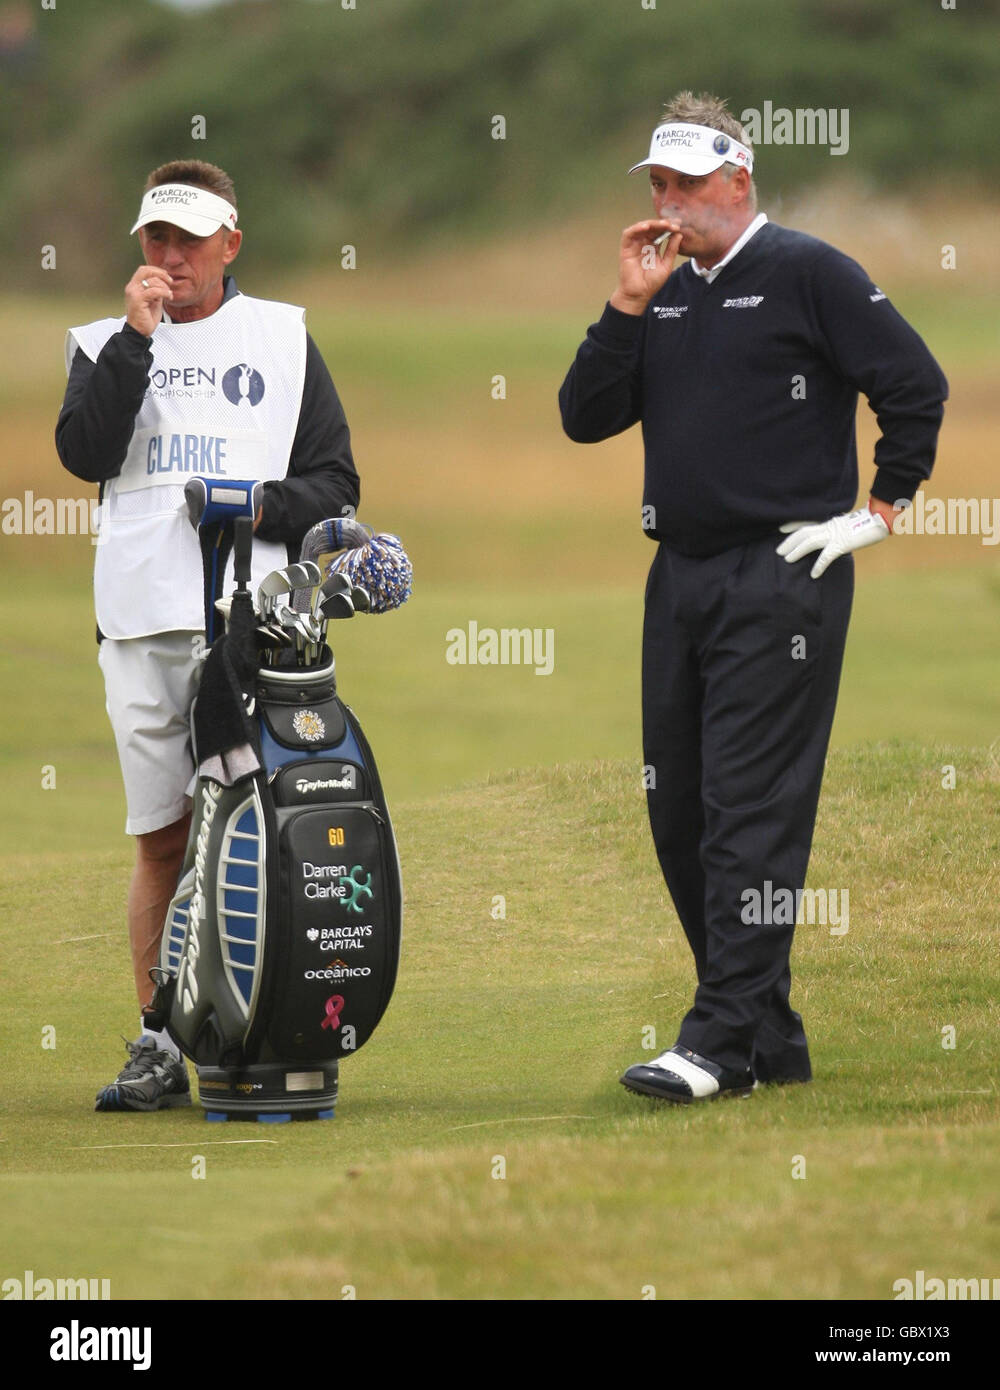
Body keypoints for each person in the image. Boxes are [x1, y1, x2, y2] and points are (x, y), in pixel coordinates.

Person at [559, 92, 947, 1104]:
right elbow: (582, 416)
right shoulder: (664, 289)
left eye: (689, 185)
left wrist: (880, 507)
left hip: (783, 573)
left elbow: (914, 383)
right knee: (678, 813)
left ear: (740, 180)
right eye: (658, 186)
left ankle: (717, 1038)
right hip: (677, 574)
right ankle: (766, 1033)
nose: (672, 204)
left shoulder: (808, 271)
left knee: (747, 812)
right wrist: (625, 304)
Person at [56, 160, 360, 1111]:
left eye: (189, 239)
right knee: (161, 842)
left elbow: (336, 485)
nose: (171, 256)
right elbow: (84, 452)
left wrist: (258, 502)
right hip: (141, 619)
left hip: (254, 627)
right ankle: (159, 1042)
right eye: (156, 238)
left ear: (231, 242)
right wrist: (135, 344)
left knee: (263, 830)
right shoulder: (106, 341)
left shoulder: (282, 336)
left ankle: (265, 1021)